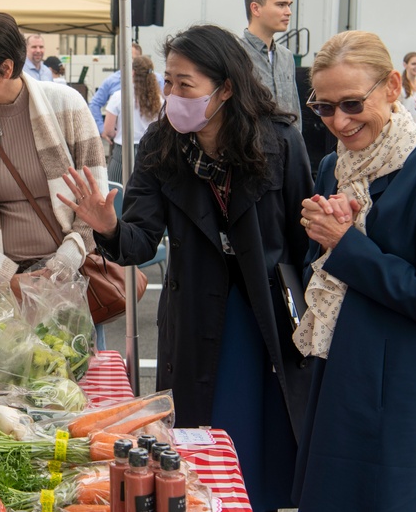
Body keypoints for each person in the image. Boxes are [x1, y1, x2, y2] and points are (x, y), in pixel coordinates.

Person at [60, 25, 313, 512]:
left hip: (266, 310)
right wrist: (108, 225)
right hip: (198, 306)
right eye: (168, 82)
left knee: (265, 433)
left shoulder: (280, 141)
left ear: (226, 88)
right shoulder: (161, 144)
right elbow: (137, 241)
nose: (172, 95)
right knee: (203, 435)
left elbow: (303, 240)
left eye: (185, 84)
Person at [292, 30, 416, 511]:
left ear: (393, 86)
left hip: (404, 390)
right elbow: (324, 269)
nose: (340, 121)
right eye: (325, 108)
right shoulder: (335, 164)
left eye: (352, 103)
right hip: (339, 374)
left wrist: (345, 243)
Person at [0, 12, 106, 292]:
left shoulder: (68, 106)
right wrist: (5, 276)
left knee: (70, 338)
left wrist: (64, 263)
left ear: (5, 68)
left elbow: (96, 199)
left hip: (71, 278)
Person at [240, 0, 301, 130]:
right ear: (256, 8)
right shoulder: (236, 54)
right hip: (252, 150)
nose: (288, 12)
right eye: (281, 5)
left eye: (289, 5)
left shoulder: (286, 56)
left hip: (286, 149)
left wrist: (297, 150)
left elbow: (295, 111)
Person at [103, 55, 162, 184]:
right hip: (151, 151)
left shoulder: (119, 96)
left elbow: (108, 130)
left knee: (117, 195)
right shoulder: (159, 100)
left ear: (133, 72)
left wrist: (115, 134)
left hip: (122, 152)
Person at [88, 42, 164, 131]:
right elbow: (94, 104)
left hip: (151, 138)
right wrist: (102, 129)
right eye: (124, 58)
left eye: (131, 59)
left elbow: (165, 107)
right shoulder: (112, 80)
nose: (127, 62)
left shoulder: (157, 79)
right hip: (121, 138)